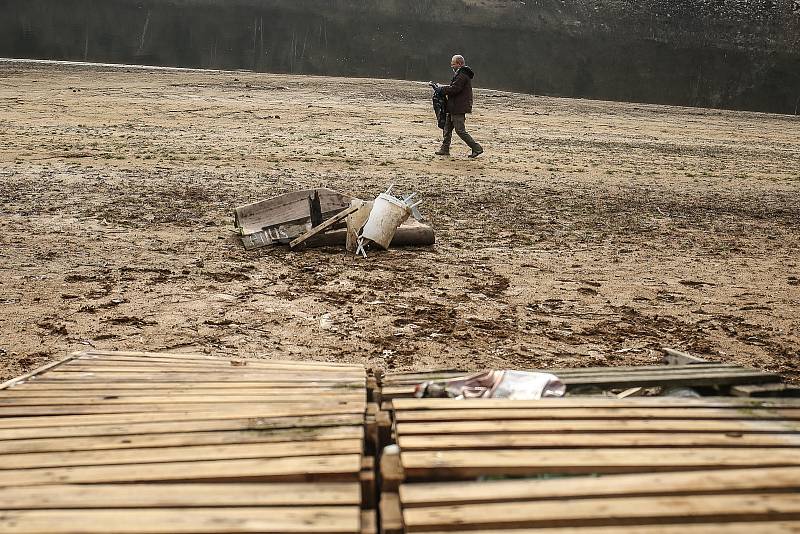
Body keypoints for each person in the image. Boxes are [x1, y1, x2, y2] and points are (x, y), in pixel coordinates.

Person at [432, 55, 484, 158]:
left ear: (459, 64)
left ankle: (477, 148)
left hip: (458, 107)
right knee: (447, 128)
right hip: (453, 106)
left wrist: (441, 90)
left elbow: (455, 89)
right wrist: (441, 88)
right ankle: (444, 149)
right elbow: (453, 88)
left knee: (460, 130)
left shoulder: (462, 75)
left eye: (453, 63)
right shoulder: (460, 74)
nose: (451, 65)